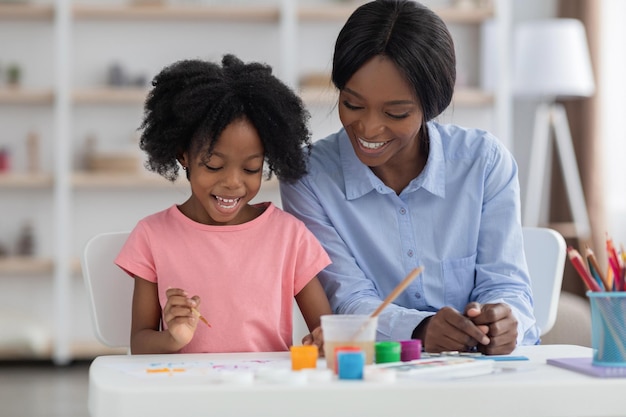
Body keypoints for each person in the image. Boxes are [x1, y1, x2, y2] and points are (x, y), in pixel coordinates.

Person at [280, 0, 539, 355]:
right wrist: (419, 330)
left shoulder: (483, 163)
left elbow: (507, 284)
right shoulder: (307, 177)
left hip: (480, 377)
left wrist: (507, 322)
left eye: (397, 112)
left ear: (431, 106)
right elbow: (345, 301)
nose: (369, 127)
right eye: (353, 105)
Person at [115, 54, 332, 355]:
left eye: (251, 168)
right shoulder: (152, 236)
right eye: (214, 166)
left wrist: (324, 342)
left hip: (264, 393)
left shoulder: (289, 236)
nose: (233, 182)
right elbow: (140, 343)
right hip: (187, 393)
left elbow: (328, 331)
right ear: (183, 156)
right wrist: (173, 338)